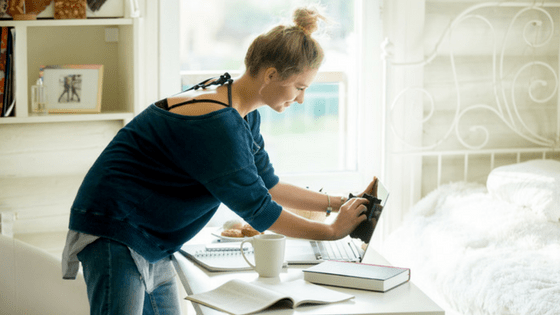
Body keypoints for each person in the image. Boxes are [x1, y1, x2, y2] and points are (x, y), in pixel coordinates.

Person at [61, 5, 378, 315]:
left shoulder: (237, 107)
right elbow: (259, 211)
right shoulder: (219, 123)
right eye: (299, 87)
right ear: (270, 74)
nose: (301, 99)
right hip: (117, 229)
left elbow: (268, 185)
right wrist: (332, 231)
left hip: (152, 239)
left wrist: (341, 203)